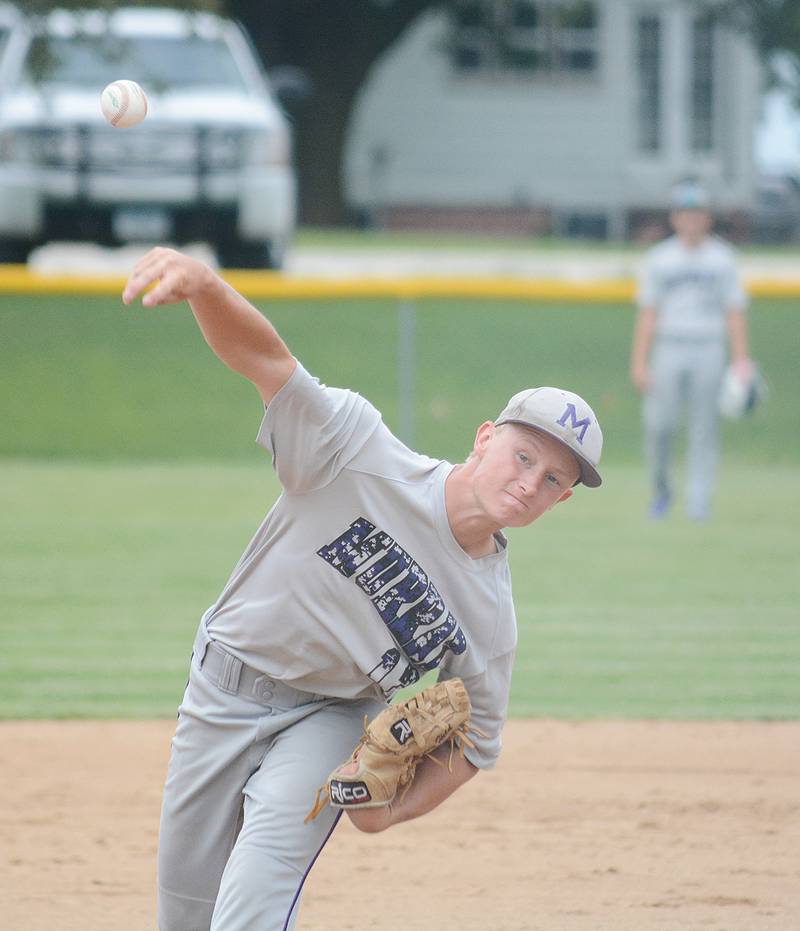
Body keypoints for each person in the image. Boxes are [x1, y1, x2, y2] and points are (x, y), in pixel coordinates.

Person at [121, 246, 603, 931]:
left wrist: (390, 811)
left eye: (553, 479)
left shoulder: (490, 615)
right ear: (485, 438)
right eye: (525, 456)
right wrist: (205, 287)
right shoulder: (358, 447)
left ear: (560, 501)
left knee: (253, 902)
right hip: (221, 690)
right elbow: (267, 361)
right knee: (186, 916)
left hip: (328, 720)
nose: (531, 482)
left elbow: (475, 743)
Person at [630, 180, 752, 521]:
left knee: (704, 427)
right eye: (686, 213)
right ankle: (661, 492)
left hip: (709, 346)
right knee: (660, 425)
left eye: (698, 213)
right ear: (675, 218)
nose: (692, 220)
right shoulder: (660, 258)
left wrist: (742, 360)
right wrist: (640, 361)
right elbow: (648, 313)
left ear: (707, 219)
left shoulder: (723, 259)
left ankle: (699, 501)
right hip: (669, 347)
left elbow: (734, 311)